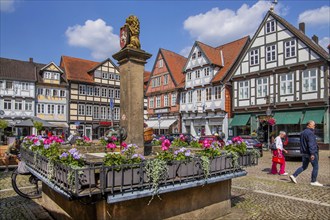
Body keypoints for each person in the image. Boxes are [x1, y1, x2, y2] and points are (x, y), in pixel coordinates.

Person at [290, 120, 323, 186]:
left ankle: (294, 175)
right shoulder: (310, 133)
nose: (314, 126)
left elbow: (303, 143)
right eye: (313, 124)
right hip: (310, 153)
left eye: (314, 124)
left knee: (304, 166)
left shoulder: (302, 132)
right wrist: (312, 153)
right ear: (308, 125)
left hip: (305, 153)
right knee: (316, 166)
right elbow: (311, 144)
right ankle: (313, 181)